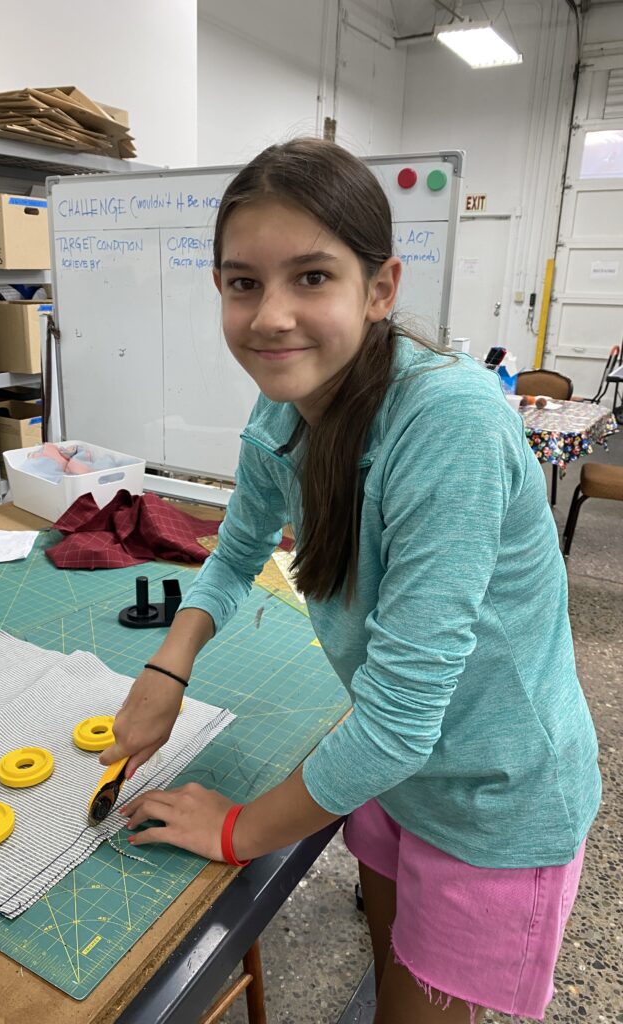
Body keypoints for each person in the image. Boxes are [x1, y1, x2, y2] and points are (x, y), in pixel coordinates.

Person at [99, 138, 601, 1023]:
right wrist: (166, 671)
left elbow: (405, 721)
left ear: (380, 289)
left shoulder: (447, 426)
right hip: (393, 772)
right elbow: (237, 547)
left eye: (312, 278)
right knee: (391, 953)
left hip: (492, 792)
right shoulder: (283, 401)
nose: (271, 317)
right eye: (243, 282)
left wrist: (235, 830)